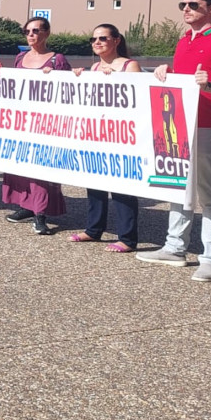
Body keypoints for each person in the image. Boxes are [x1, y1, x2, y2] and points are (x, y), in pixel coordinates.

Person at [136, 0, 211, 282]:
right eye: (183, 4)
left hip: (209, 124)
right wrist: (164, 72)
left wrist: (208, 84)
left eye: (193, 5)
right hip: (178, 124)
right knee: (177, 188)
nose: (186, 9)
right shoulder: (184, 39)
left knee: (209, 194)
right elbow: (184, 80)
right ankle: (174, 248)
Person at [68, 24, 142, 252]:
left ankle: (127, 238)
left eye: (102, 38)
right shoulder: (95, 66)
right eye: (93, 39)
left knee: (122, 186)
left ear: (117, 40)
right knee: (95, 184)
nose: (97, 42)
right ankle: (93, 229)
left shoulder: (130, 66)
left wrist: (116, 81)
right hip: (98, 133)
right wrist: (79, 79)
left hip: (122, 135)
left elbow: (137, 98)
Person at [3, 16, 71, 234]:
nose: (31, 35)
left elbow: (70, 91)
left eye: (36, 31)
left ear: (46, 33)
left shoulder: (56, 59)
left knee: (41, 168)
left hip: (46, 123)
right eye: (27, 31)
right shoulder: (20, 57)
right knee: (21, 165)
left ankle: (41, 213)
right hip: (21, 122)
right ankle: (25, 206)